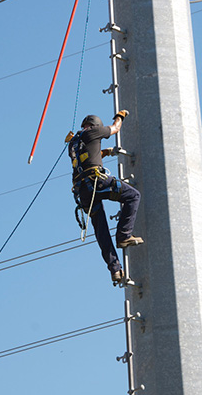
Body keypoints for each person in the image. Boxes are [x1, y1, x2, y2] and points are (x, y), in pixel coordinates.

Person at [66, 110, 143, 283]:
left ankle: (115, 270)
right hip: (96, 183)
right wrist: (120, 116)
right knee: (133, 196)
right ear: (95, 126)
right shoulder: (95, 131)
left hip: (83, 191)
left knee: (101, 230)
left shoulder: (73, 142)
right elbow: (115, 129)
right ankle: (123, 235)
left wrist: (105, 153)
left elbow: (86, 155)